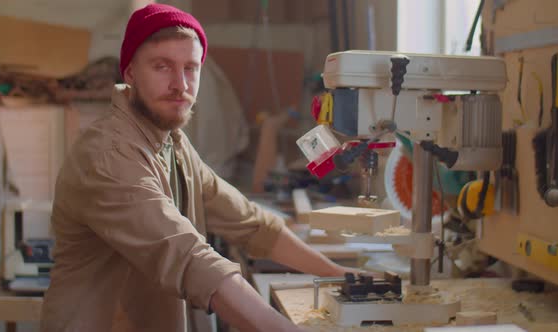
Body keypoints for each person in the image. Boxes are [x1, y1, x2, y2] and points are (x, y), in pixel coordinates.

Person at [41, 4, 358, 332]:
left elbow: (250, 222)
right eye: (162, 66)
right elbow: (188, 258)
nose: (180, 84)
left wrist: (345, 279)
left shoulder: (171, 142)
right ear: (131, 73)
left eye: (191, 68)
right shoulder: (108, 155)